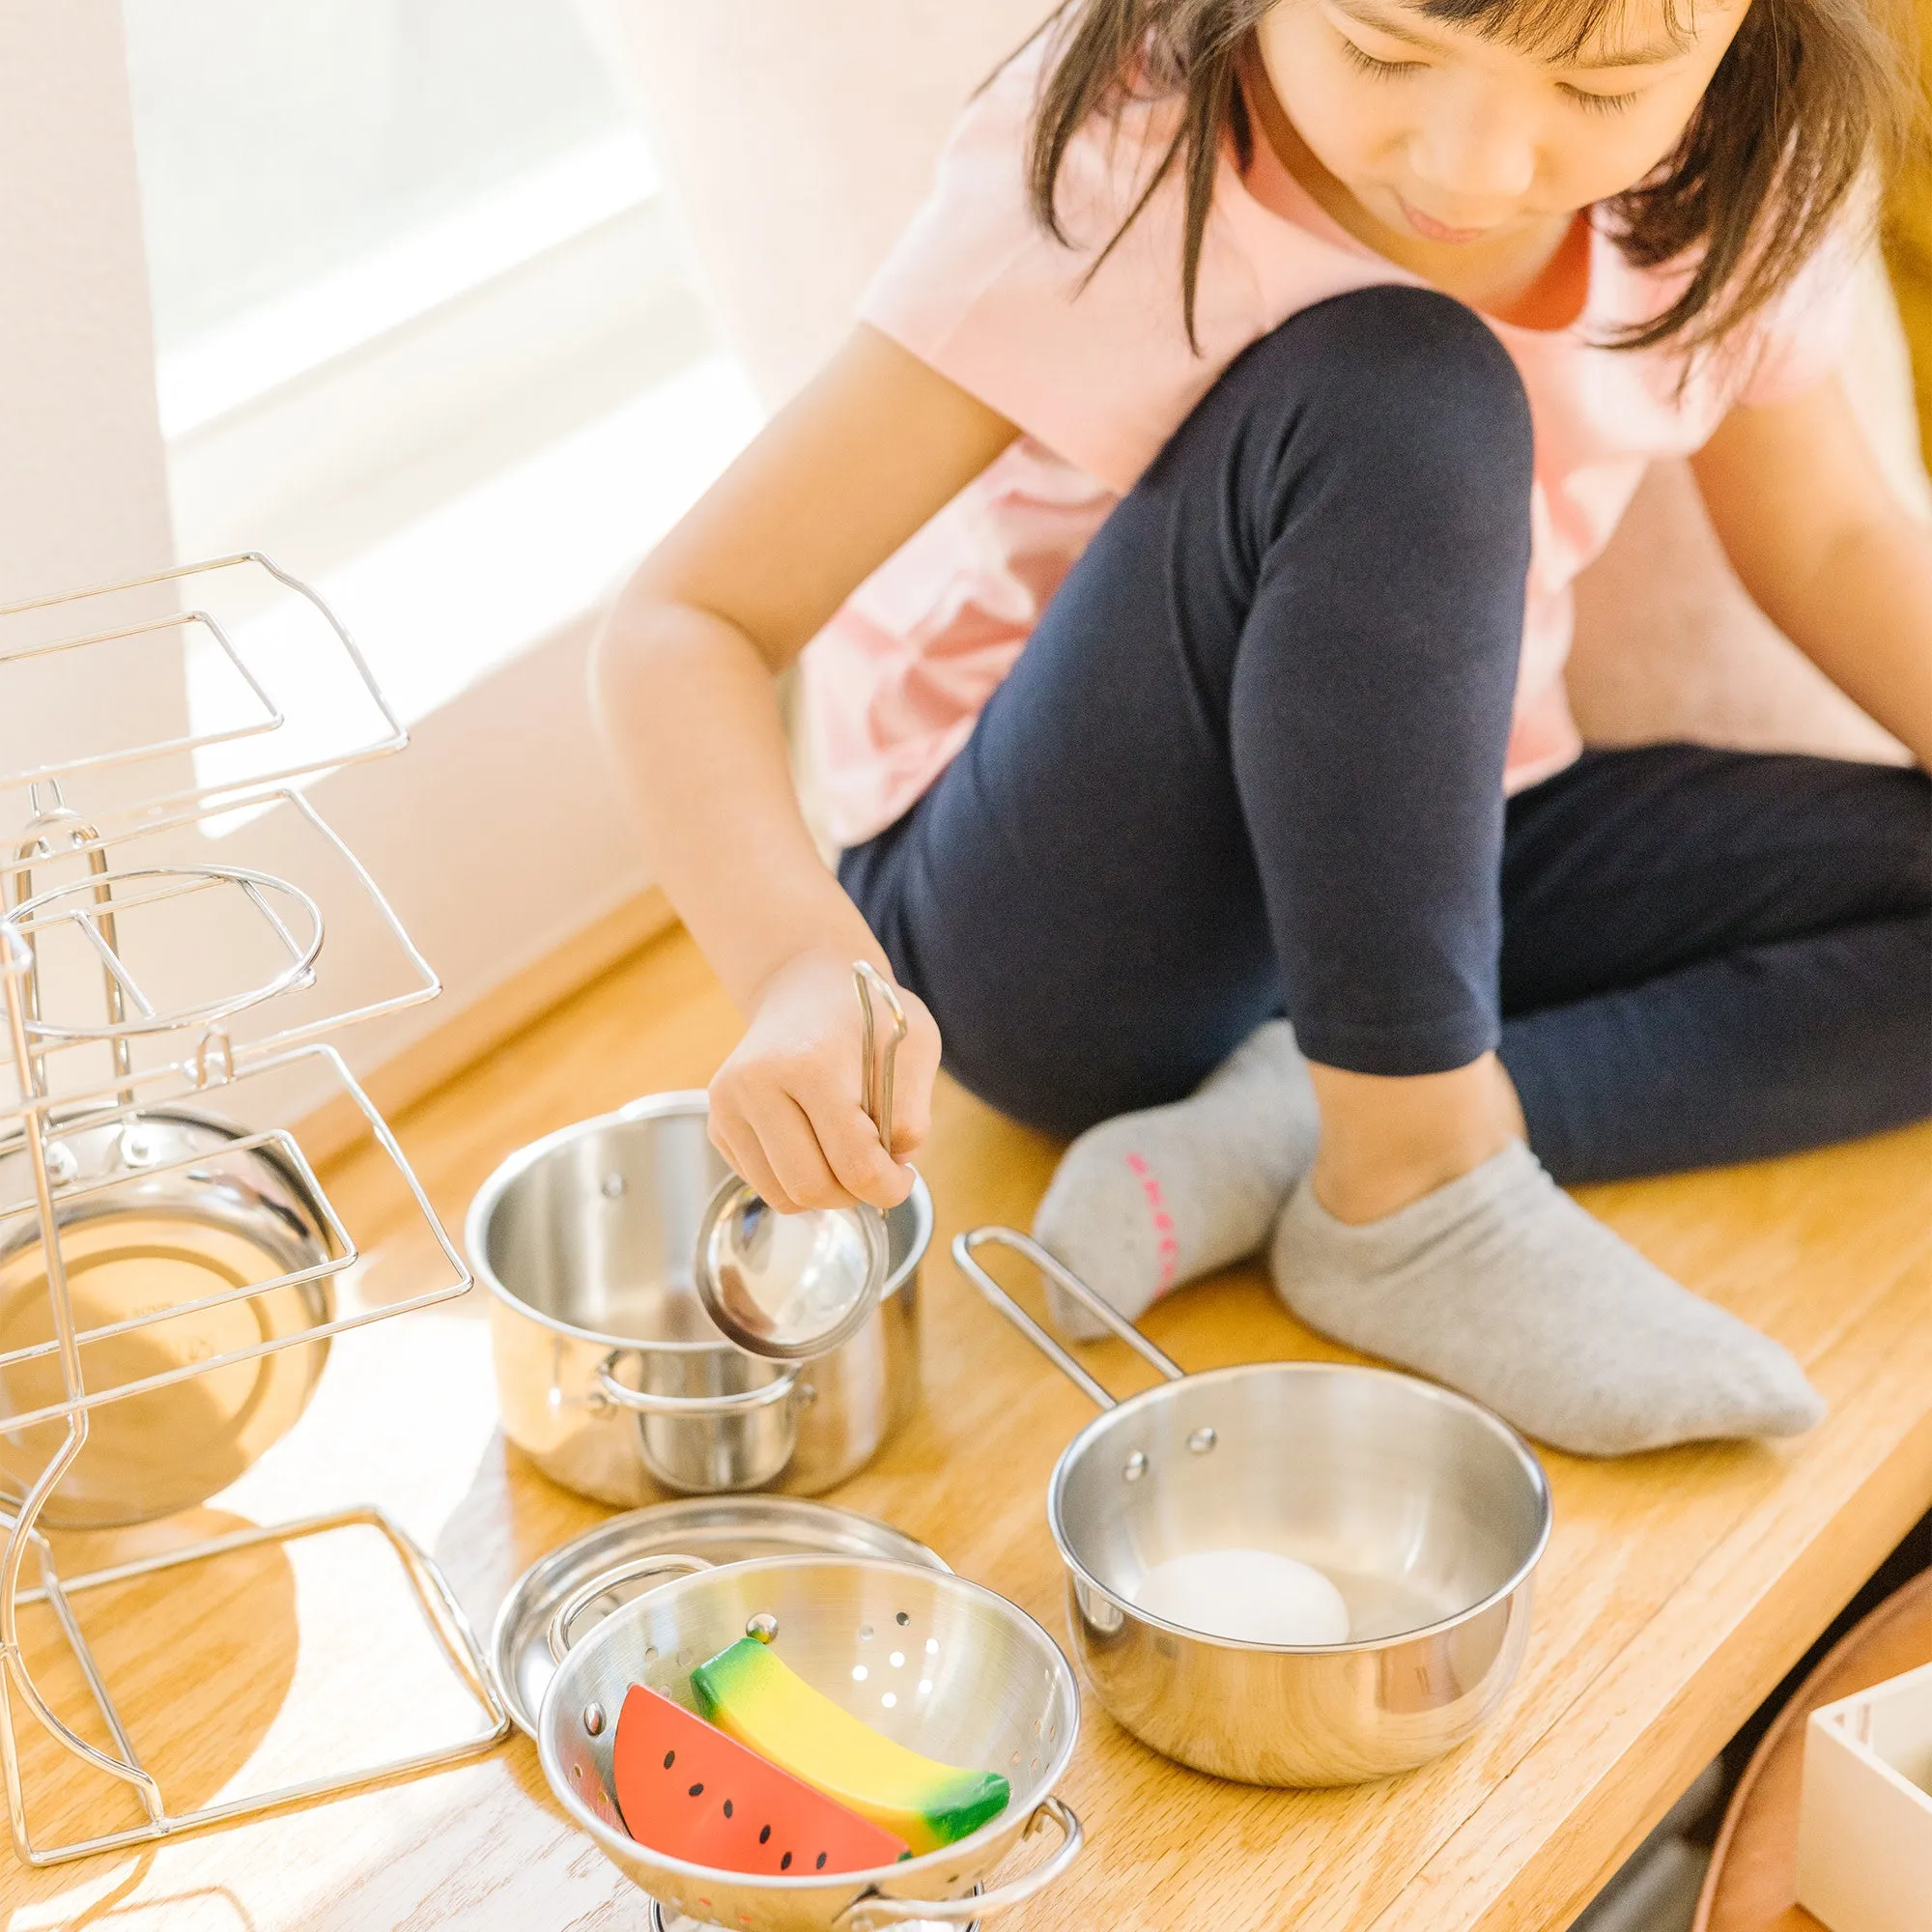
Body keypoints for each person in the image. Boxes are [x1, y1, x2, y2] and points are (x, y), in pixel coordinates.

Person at [594, 0, 1932, 1457]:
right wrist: (801, 972)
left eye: (1603, 87)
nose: (1474, 168)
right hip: (1063, 924)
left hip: (1417, 871)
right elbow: (688, 621)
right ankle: (1409, 1190)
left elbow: (1837, 539)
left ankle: (1321, 1119)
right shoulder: (1132, 163)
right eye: (1385, 52)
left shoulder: (1740, 177)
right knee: (1408, 388)